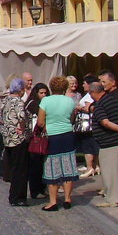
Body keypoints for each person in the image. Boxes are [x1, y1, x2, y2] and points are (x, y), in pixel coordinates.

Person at [37, 76, 79, 210]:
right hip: (67, 135)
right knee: (68, 165)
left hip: (52, 136)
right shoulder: (70, 101)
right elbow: (72, 118)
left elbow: (40, 122)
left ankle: (53, 202)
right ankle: (67, 199)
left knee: (52, 167)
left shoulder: (46, 101)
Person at [90, 79, 118, 207]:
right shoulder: (113, 100)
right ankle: (117, 197)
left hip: (110, 142)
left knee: (109, 172)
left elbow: (105, 122)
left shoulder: (100, 105)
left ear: (93, 92)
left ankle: (112, 199)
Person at [0, 78, 30, 206]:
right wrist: (22, 128)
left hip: (8, 138)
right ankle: (18, 197)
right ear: (21, 90)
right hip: (18, 139)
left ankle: (14, 196)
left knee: (14, 167)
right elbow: (22, 117)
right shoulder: (18, 101)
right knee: (20, 169)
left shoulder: (5, 100)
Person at [24, 82, 49, 201]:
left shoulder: (43, 103)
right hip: (34, 138)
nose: (44, 95)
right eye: (41, 93)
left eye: (45, 93)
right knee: (35, 165)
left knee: (42, 165)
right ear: (36, 93)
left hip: (42, 138)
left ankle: (42, 188)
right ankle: (35, 190)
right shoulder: (33, 104)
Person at [75, 74, 99, 179]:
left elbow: (88, 108)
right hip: (87, 124)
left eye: (84, 83)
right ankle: (94, 166)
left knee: (87, 146)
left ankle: (90, 167)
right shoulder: (88, 94)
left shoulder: (90, 96)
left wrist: (79, 108)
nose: (82, 85)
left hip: (87, 125)